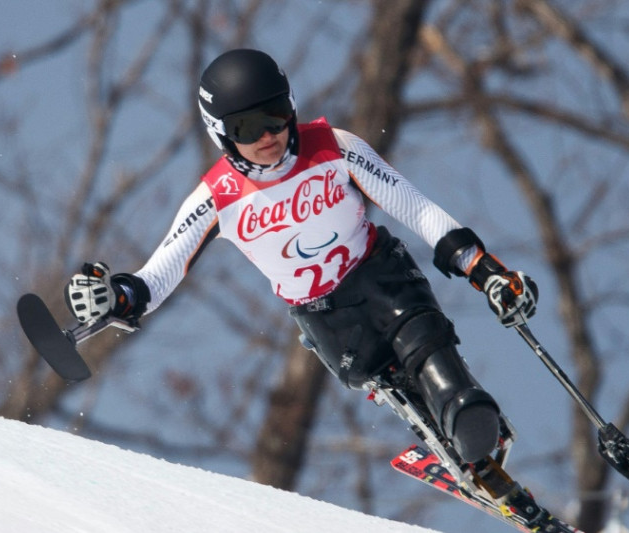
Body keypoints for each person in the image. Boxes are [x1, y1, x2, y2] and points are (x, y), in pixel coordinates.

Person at [64, 48, 538, 466]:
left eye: (274, 114)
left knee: (424, 339)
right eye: (246, 127)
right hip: (325, 316)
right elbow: (161, 271)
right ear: (222, 135)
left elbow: (414, 207)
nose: (267, 134)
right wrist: (120, 298)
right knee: (375, 369)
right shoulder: (218, 197)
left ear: (290, 107)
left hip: (382, 275)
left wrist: (482, 268)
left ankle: (464, 409)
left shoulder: (334, 147)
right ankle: (434, 419)